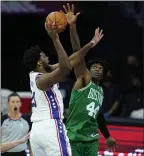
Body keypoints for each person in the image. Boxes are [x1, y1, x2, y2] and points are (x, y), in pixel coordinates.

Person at [22, 20, 100, 156]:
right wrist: (55, 39)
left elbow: (72, 59)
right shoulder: (42, 80)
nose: (47, 57)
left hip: (36, 131)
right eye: (44, 56)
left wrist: (91, 44)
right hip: (50, 127)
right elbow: (66, 68)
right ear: (39, 62)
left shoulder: (41, 74)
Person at [61, 3, 117, 156]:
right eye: (94, 66)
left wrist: (107, 136)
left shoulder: (100, 91)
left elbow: (98, 115)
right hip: (74, 136)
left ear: (104, 74)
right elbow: (77, 51)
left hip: (91, 138)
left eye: (100, 68)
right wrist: (72, 27)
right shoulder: (84, 79)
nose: (96, 68)